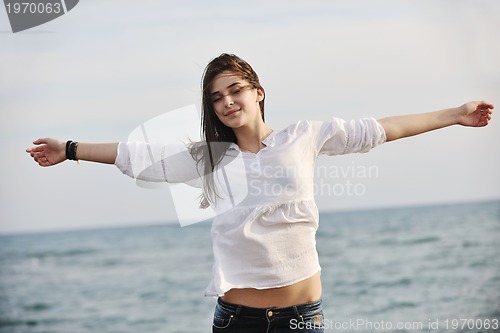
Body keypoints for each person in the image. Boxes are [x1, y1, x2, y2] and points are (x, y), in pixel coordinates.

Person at [26, 53, 493, 333]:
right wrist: (69, 149)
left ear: (259, 93)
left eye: (235, 90)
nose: (227, 102)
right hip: (237, 322)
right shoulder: (207, 158)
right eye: (216, 97)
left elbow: (382, 128)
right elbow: (136, 154)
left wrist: (454, 113)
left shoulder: (305, 136)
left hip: (302, 317)